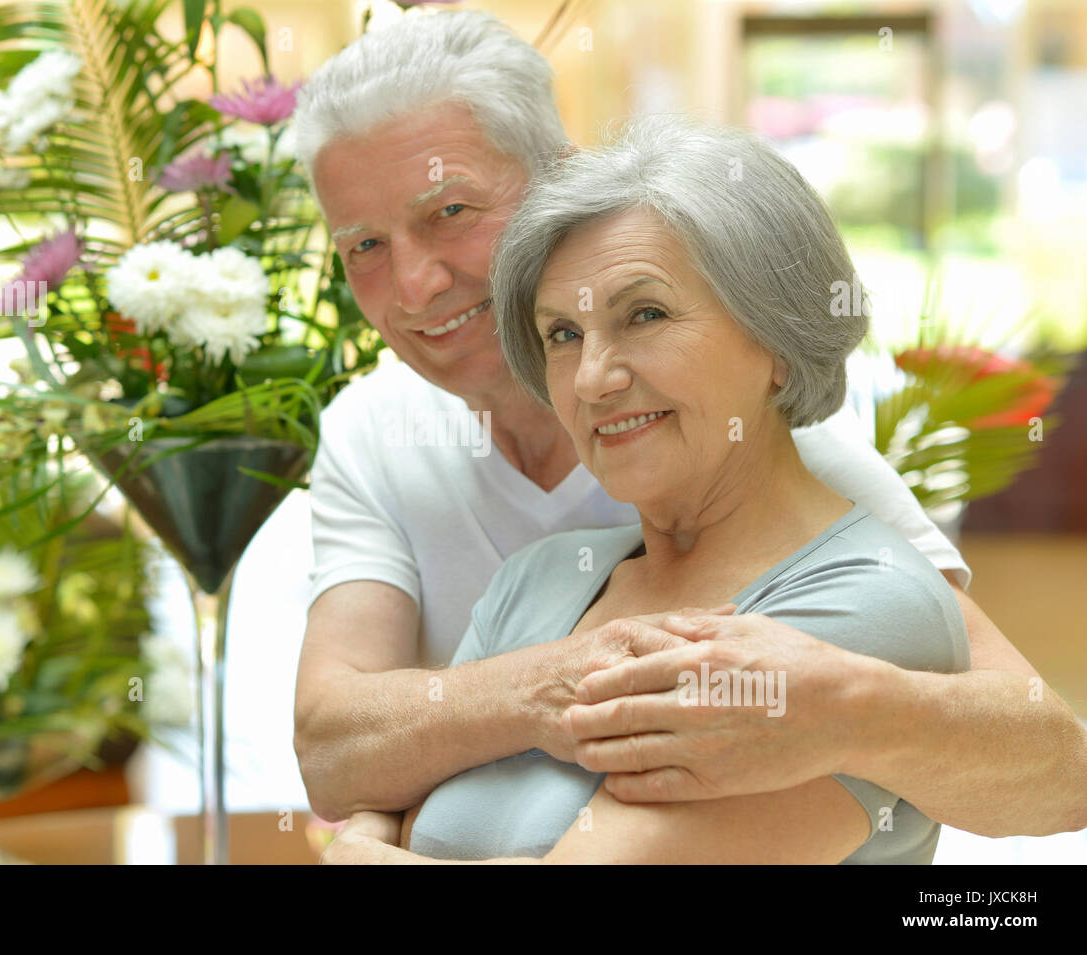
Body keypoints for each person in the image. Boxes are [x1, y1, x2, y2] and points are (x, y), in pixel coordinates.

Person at [289, 9, 1087, 843]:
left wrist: (852, 708)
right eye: (364, 246)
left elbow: (1054, 767)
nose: (413, 286)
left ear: (559, 178)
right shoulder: (390, 445)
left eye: (449, 211)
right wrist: (558, 684)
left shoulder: (785, 458)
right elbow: (334, 748)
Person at [324, 116, 966, 862]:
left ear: (780, 344)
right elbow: (388, 795)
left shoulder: (873, 606)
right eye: (563, 333)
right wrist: (367, 834)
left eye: (646, 314)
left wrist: (353, 854)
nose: (594, 378)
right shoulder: (536, 580)